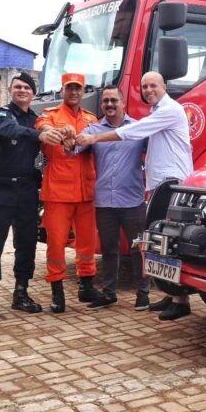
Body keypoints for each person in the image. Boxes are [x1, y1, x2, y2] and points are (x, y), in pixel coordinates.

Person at [76, 71, 193, 320]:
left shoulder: (168, 110)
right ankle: (172, 295)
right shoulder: (157, 112)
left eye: (153, 85)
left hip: (171, 183)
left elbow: (132, 132)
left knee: (169, 243)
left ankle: (181, 301)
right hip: (159, 185)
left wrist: (95, 137)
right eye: (145, 86)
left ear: (165, 86)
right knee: (161, 243)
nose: (149, 90)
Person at [0, 72, 63, 321]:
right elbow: (11, 131)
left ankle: (21, 293)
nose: (23, 90)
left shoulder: (37, 120)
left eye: (27, 87)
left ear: (34, 94)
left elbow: (45, 153)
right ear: (10, 90)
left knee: (26, 245)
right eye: (18, 87)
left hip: (27, 192)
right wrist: (39, 135)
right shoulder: (0, 115)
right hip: (0, 190)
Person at [67, 85, 150, 311]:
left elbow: (157, 150)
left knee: (138, 248)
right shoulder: (92, 130)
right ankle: (109, 293)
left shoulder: (138, 129)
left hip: (133, 200)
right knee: (109, 250)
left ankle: (144, 293)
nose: (110, 105)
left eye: (114, 100)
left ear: (124, 103)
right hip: (104, 201)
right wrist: (68, 140)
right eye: (106, 101)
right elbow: (74, 150)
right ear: (102, 105)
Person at [36, 73, 101, 313]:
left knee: (87, 243)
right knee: (56, 244)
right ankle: (57, 292)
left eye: (78, 89)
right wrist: (54, 132)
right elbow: (41, 126)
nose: (74, 92)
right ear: (63, 90)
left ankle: (86, 286)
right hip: (58, 193)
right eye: (69, 88)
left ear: (83, 92)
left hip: (86, 191)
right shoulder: (50, 115)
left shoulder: (91, 118)